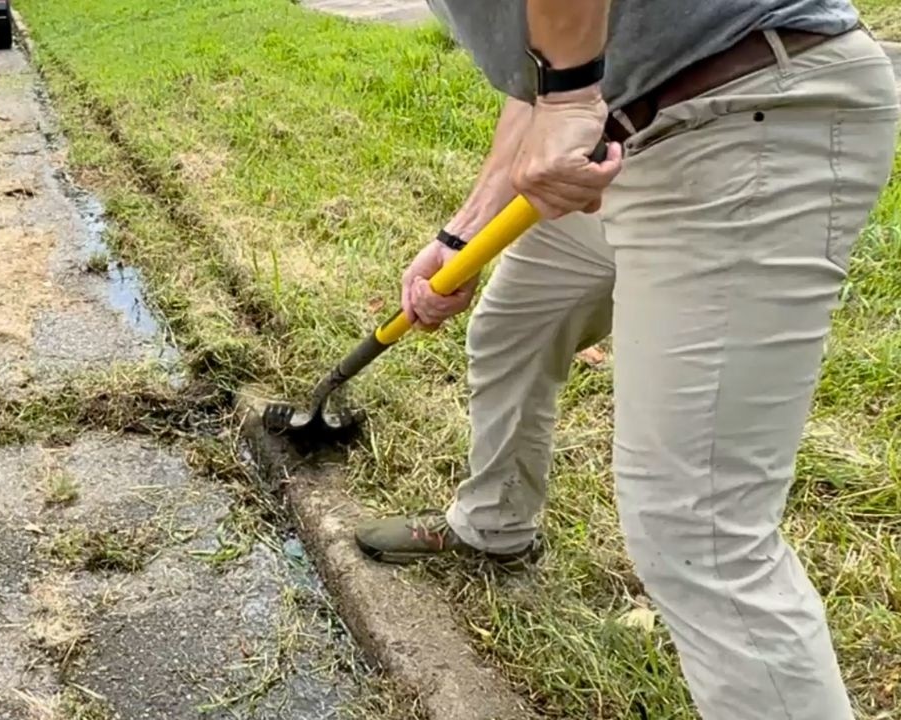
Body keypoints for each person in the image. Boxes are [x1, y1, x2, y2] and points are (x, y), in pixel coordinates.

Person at [351, 1, 899, 718]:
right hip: (622, 146)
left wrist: (573, 91)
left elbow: (563, 81)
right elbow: (538, 85)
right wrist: (462, 235)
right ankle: (495, 527)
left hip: (743, 114)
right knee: (514, 326)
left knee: (697, 529)